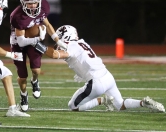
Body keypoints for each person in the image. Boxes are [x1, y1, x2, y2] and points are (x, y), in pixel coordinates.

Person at [34, 25, 165, 112]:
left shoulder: (71, 46)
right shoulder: (82, 43)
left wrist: (38, 45)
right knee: (121, 105)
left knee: (73, 106)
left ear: (65, 37)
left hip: (96, 82)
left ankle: (103, 100)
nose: (58, 42)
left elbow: (56, 54)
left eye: (60, 38)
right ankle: (144, 103)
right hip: (108, 76)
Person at [10, 0, 67, 112]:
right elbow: (21, 41)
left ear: (39, 1)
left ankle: (35, 81)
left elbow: (47, 24)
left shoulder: (43, 7)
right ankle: (23, 95)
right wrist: (38, 39)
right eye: (29, 3)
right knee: (22, 76)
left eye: (34, 2)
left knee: (36, 70)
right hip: (18, 43)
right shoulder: (17, 16)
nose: (32, 5)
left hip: (33, 40)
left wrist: (57, 40)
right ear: (23, 3)